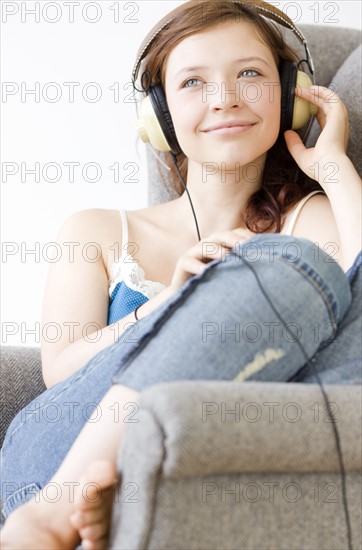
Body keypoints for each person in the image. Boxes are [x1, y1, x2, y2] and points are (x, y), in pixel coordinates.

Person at [1, 1, 361, 548]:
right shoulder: (97, 229)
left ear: (289, 97)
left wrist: (334, 169)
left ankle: (128, 501)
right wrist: (172, 301)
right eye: (193, 82)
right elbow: (61, 372)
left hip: (204, 459)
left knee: (322, 295)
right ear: (160, 115)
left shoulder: (307, 218)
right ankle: (54, 514)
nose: (225, 98)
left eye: (250, 73)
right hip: (53, 453)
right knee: (279, 267)